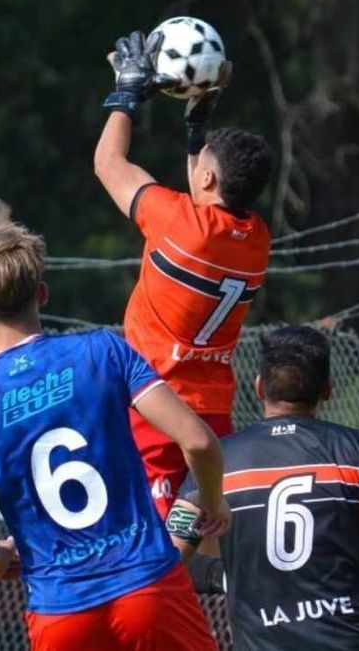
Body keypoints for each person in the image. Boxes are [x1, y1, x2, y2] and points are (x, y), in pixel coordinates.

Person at [0, 221, 230, 651]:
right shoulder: (103, 352)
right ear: (41, 293)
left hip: (60, 610)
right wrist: (213, 499)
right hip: (147, 587)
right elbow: (199, 442)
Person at [165, 325, 359, 651]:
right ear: (328, 389)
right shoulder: (356, 451)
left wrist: (223, 576)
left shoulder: (219, 464)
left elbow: (166, 558)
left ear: (259, 387)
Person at [94, 29, 274, 517]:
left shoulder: (177, 220)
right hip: (213, 411)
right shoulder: (257, 237)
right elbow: (206, 202)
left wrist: (126, 92)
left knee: (153, 543)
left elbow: (109, 163)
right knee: (204, 536)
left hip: (153, 402)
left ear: (209, 178)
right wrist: (198, 130)